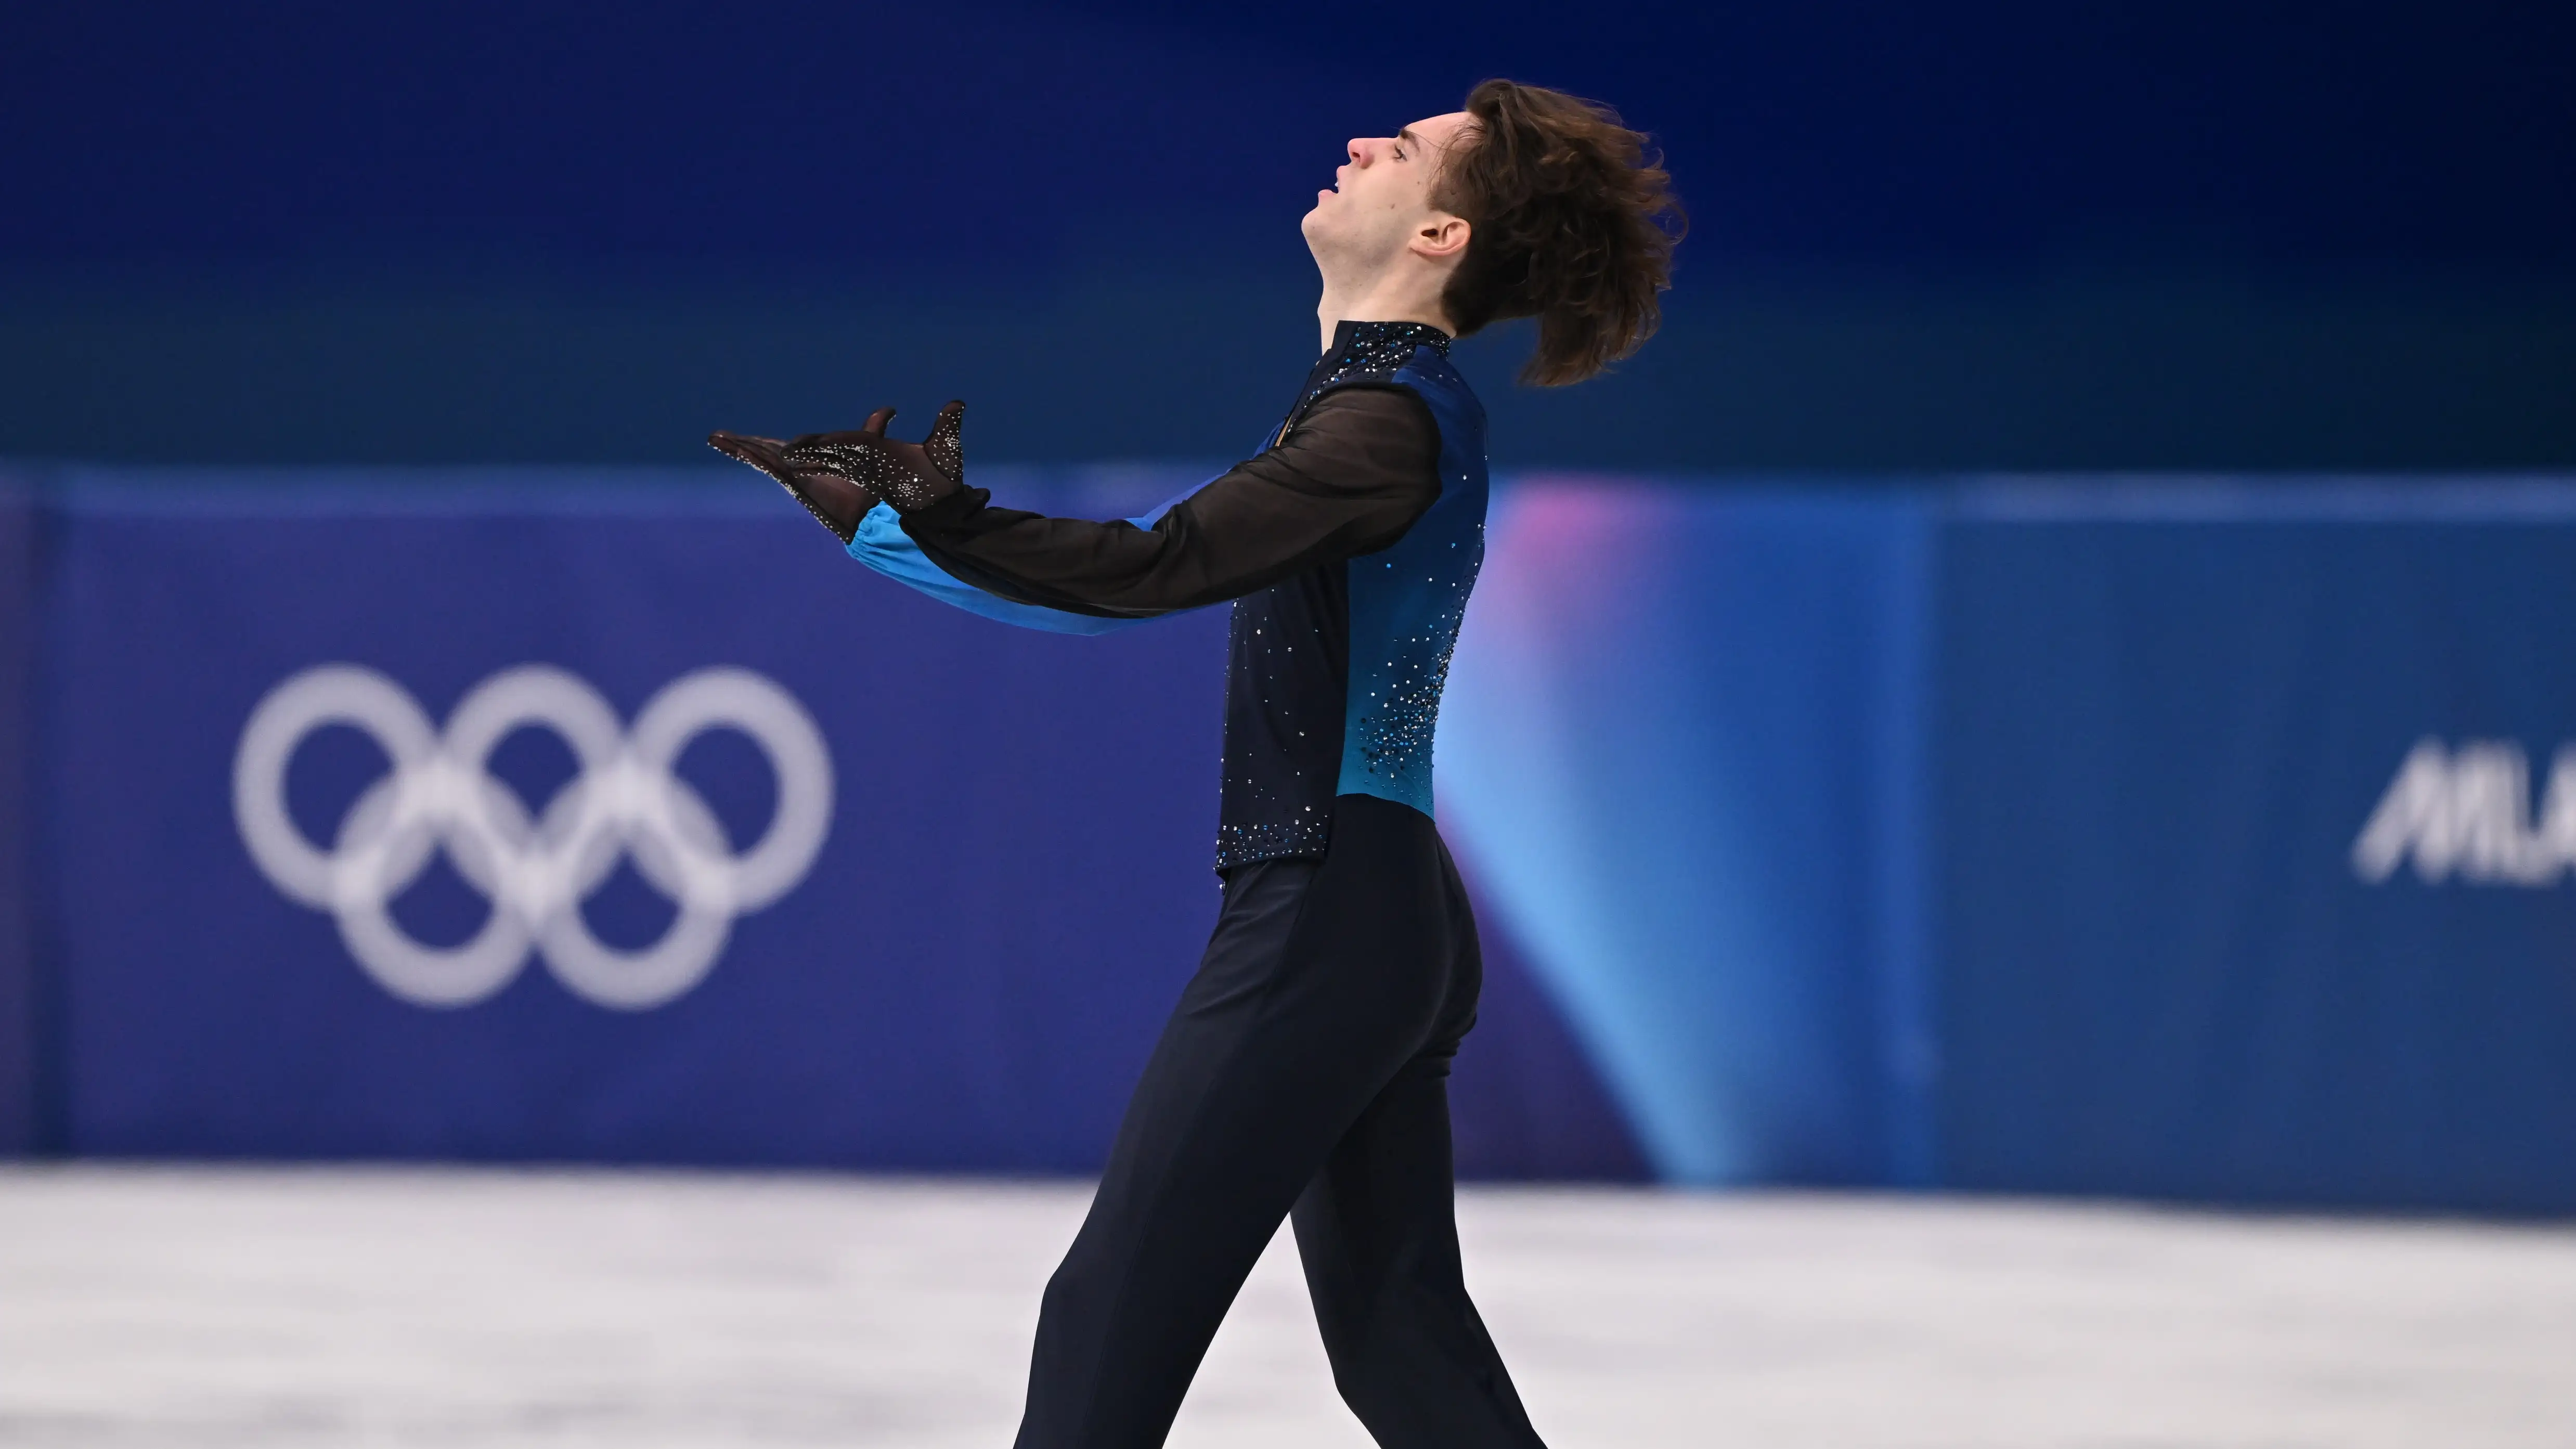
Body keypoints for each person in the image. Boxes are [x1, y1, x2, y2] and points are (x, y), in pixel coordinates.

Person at [711, 78, 1681, 1449]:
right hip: (1377, 906)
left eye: (1403, 149)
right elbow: (1125, 581)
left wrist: (927, 520)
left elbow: (1148, 567)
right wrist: (901, 529)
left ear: (1441, 237)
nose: (1362, 141)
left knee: (1111, 1314)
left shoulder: (1382, 426)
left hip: (1329, 913)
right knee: (1400, 1342)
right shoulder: (1370, 411)